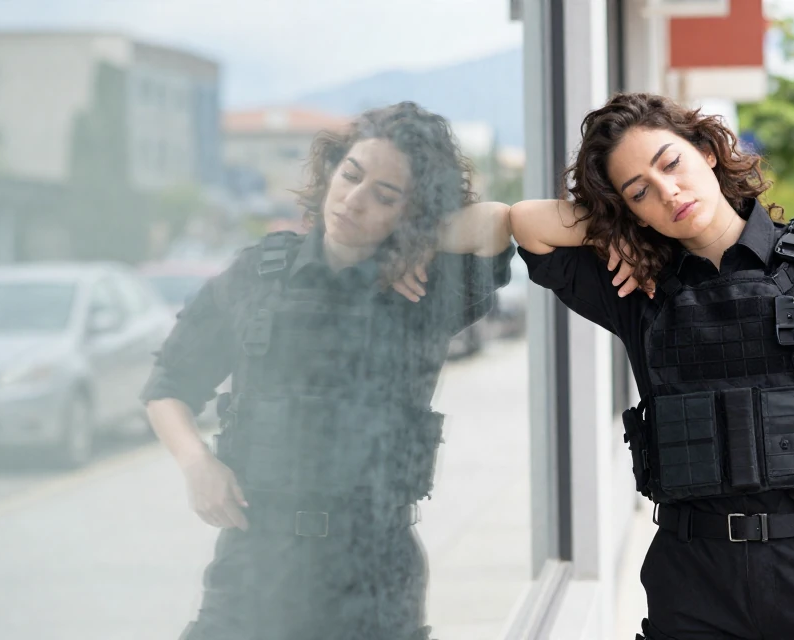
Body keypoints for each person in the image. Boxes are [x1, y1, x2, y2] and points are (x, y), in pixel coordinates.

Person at [508, 93, 794, 640]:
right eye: (641, 192)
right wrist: (615, 229)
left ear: (706, 150)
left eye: (670, 163)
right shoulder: (637, 289)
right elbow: (527, 224)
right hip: (692, 589)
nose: (668, 192)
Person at [141, 102, 514, 640]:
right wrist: (196, 463)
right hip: (257, 564)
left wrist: (424, 239)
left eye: (386, 196)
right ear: (331, 170)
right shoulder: (257, 273)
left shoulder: (425, 291)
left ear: (411, 212)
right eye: (352, 175)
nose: (355, 200)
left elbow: (497, 223)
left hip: (375, 573)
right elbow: (169, 383)